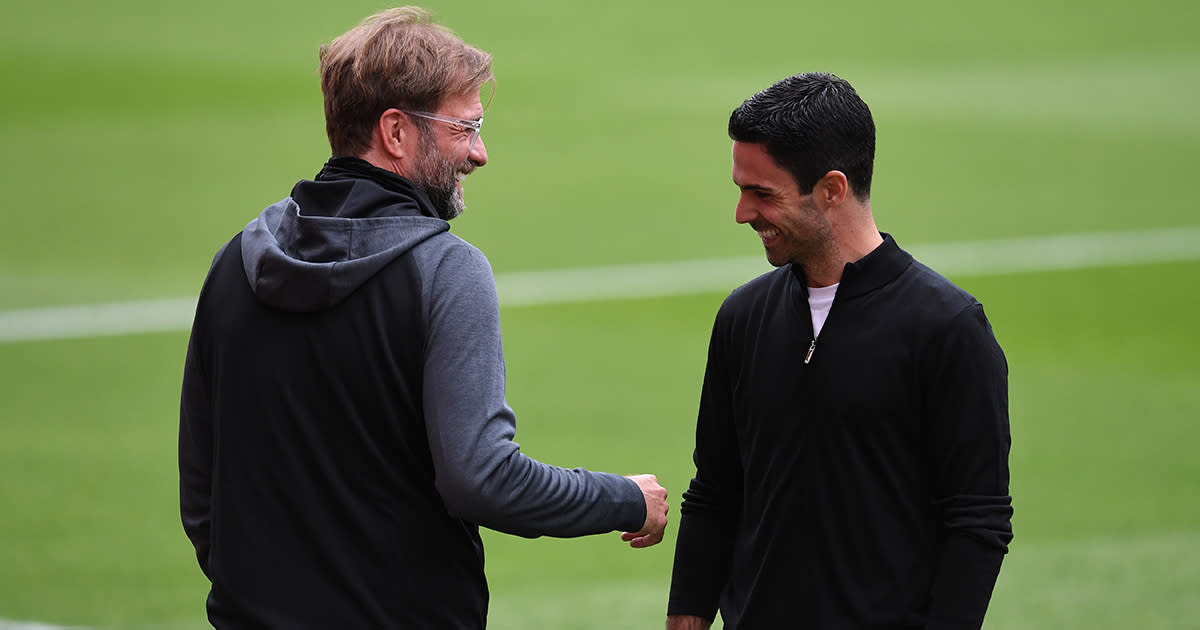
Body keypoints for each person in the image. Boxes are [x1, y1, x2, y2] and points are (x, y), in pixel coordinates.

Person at [178, 7, 668, 628]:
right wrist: (624, 499)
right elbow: (481, 477)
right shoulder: (445, 270)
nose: (481, 153)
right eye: (466, 129)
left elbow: (201, 490)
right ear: (396, 131)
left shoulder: (238, 260)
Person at [665, 72, 1013, 630]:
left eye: (762, 194)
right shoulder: (743, 317)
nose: (742, 213)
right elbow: (715, 490)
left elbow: (978, 520)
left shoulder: (948, 327)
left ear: (831, 189)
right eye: (740, 189)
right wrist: (686, 613)